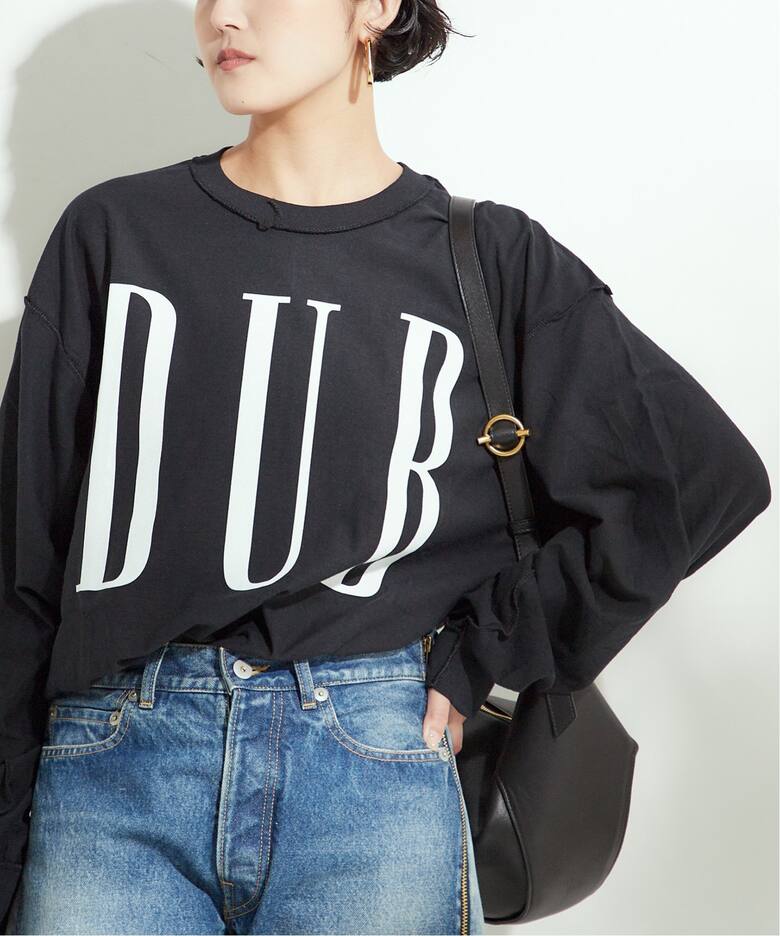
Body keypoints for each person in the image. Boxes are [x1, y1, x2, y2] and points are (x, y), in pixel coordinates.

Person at [0, 1, 771, 934]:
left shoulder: (489, 259)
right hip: (113, 771)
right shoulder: (114, 233)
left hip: (371, 766)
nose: (224, 15)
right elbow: (23, 565)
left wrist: (493, 645)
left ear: (375, 7)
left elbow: (698, 480)